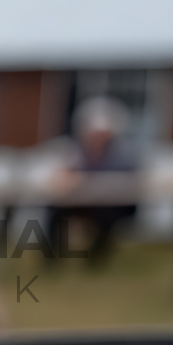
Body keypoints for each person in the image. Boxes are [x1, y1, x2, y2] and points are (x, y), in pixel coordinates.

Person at [53, 95, 139, 268]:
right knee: (54, 213)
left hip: (111, 204)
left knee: (106, 219)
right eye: (93, 134)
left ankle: (96, 259)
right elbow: (64, 173)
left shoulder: (124, 154)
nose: (97, 139)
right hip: (82, 201)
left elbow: (132, 178)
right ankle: (53, 256)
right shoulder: (76, 151)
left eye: (101, 134)